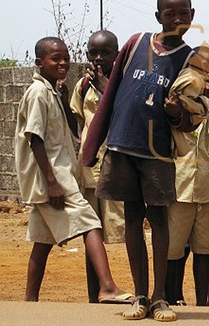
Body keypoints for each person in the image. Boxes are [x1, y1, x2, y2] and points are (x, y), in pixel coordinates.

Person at [82, 0, 197, 321]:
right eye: (170, 13)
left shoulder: (190, 60)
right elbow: (112, 93)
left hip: (157, 153)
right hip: (122, 145)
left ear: (192, 15)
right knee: (132, 218)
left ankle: (161, 297)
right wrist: (92, 147)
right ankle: (141, 296)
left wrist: (175, 111)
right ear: (158, 16)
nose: (177, 19)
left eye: (183, 13)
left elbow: (190, 117)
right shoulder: (135, 44)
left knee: (158, 219)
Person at [18, 37, 129, 304]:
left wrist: (64, 97)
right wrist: (52, 182)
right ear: (39, 62)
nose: (64, 62)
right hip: (54, 177)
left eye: (66, 57)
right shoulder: (38, 93)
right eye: (56, 58)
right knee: (91, 223)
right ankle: (107, 287)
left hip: (57, 175)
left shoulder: (53, 91)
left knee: (43, 240)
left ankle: (29, 301)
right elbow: (35, 138)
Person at [165, 47, 209, 307]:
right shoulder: (175, 102)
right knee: (174, 251)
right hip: (179, 189)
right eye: (203, 68)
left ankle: (203, 301)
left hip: (205, 188)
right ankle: (172, 298)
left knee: (205, 249)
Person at [69, 30, 128, 303]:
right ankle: (96, 294)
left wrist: (107, 88)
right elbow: (78, 121)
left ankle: (140, 292)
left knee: (127, 230)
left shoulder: (124, 82)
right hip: (90, 170)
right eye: (93, 53)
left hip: (118, 167)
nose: (99, 58)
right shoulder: (83, 85)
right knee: (92, 233)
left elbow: (127, 114)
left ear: (117, 54)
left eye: (105, 52)